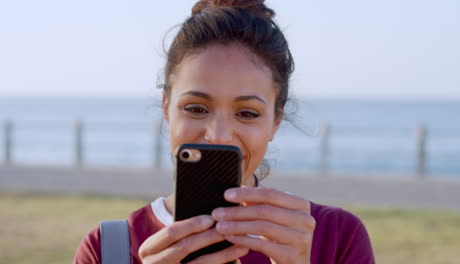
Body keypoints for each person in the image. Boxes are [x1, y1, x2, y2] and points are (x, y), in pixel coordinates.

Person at [74, 0, 375, 263]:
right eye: (196, 108)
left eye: (247, 113)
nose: (218, 136)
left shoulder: (335, 237)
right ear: (166, 108)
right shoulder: (107, 249)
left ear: (276, 121)